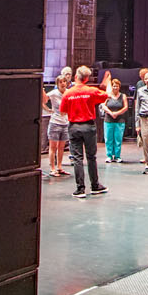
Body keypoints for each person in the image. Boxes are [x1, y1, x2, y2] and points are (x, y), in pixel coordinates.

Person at [59, 66, 109, 198]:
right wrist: (106, 84)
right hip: (89, 127)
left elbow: (63, 111)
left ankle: (80, 189)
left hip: (74, 127)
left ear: (76, 76)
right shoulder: (91, 91)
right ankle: (95, 185)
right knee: (91, 157)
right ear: (86, 78)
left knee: (77, 158)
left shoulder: (68, 93)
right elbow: (106, 96)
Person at [45, 69, 71, 179]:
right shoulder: (54, 93)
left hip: (65, 123)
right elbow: (44, 99)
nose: (63, 83)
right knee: (53, 147)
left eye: (64, 81)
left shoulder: (69, 93)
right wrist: (47, 110)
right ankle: (52, 168)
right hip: (55, 122)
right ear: (57, 83)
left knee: (61, 147)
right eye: (60, 82)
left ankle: (59, 167)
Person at [101, 78, 128, 163]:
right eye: (114, 86)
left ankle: (117, 156)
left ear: (119, 87)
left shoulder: (123, 96)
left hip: (119, 120)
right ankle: (109, 155)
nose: (115, 88)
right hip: (108, 120)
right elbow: (103, 105)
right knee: (109, 138)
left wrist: (117, 113)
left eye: (117, 86)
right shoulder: (107, 95)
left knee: (118, 139)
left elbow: (125, 107)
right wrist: (110, 112)